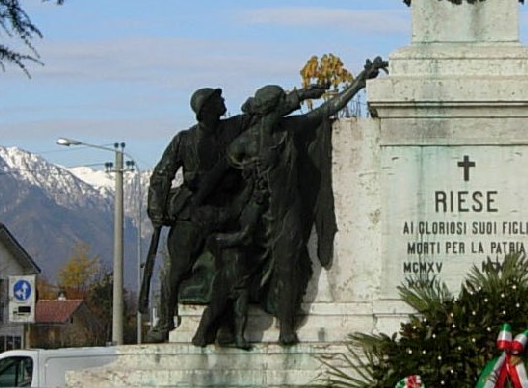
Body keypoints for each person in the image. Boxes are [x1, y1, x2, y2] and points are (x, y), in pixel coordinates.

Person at [195, 57, 388, 347]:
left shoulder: (290, 131)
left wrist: (361, 79)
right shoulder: (243, 144)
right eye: (281, 103)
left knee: (289, 268)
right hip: (256, 215)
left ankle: (286, 327)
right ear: (269, 109)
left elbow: (328, 109)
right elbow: (222, 177)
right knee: (235, 274)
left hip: (287, 214)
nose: (287, 106)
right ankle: (218, 328)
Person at [145, 88, 237, 342]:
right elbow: (162, 174)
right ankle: (164, 322)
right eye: (219, 100)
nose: (224, 102)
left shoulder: (232, 130)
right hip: (192, 213)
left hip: (223, 212)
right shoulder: (185, 140)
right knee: (176, 270)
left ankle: (226, 326)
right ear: (206, 108)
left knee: (230, 269)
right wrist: (157, 209)